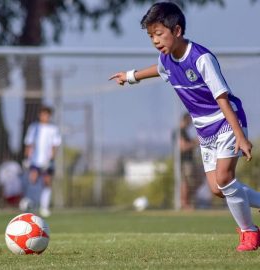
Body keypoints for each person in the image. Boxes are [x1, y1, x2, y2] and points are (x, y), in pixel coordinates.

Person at [109, 2, 260, 252]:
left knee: (224, 178)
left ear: (176, 31)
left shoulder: (201, 58)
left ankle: (250, 233)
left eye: (159, 34)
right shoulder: (166, 60)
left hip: (226, 121)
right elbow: (158, 70)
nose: (155, 40)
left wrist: (240, 136)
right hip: (204, 131)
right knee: (217, 189)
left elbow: (222, 97)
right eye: (150, 36)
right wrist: (131, 76)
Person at [24, 105, 61, 217]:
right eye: (42, 114)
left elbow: (55, 145)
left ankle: (44, 207)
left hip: (47, 161)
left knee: (47, 182)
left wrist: (51, 160)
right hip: (35, 160)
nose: (44, 116)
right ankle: (31, 205)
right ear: (39, 115)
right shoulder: (33, 127)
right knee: (33, 180)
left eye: (47, 114)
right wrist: (26, 158)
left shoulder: (53, 129)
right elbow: (29, 144)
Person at [178, 112, 200, 210]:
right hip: (185, 162)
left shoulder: (184, 132)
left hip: (189, 161)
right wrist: (195, 143)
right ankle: (185, 203)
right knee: (186, 182)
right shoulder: (180, 131)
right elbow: (182, 147)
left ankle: (188, 202)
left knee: (192, 181)